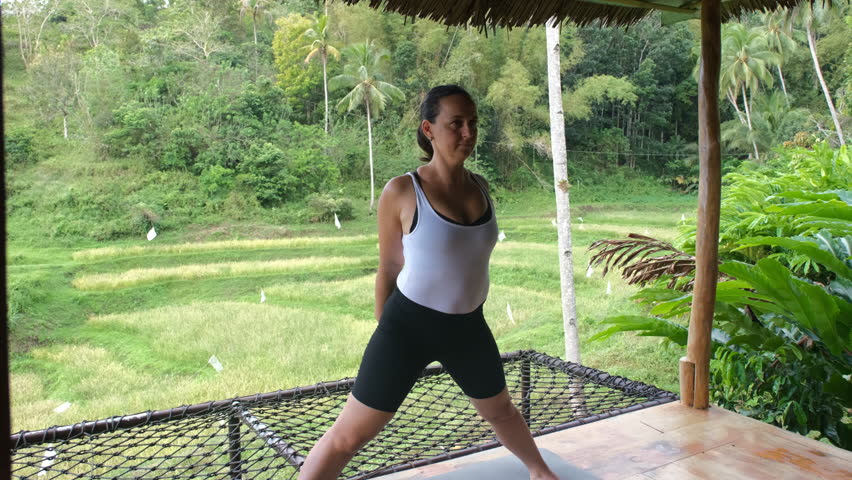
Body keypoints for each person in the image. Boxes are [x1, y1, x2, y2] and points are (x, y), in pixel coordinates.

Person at [298, 85, 559, 480]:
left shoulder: (481, 187)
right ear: (429, 129)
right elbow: (389, 266)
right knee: (348, 438)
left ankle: (541, 473)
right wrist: (388, 332)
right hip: (409, 327)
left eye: (473, 123)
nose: (468, 133)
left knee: (502, 412)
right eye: (456, 123)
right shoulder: (403, 191)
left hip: (468, 327)